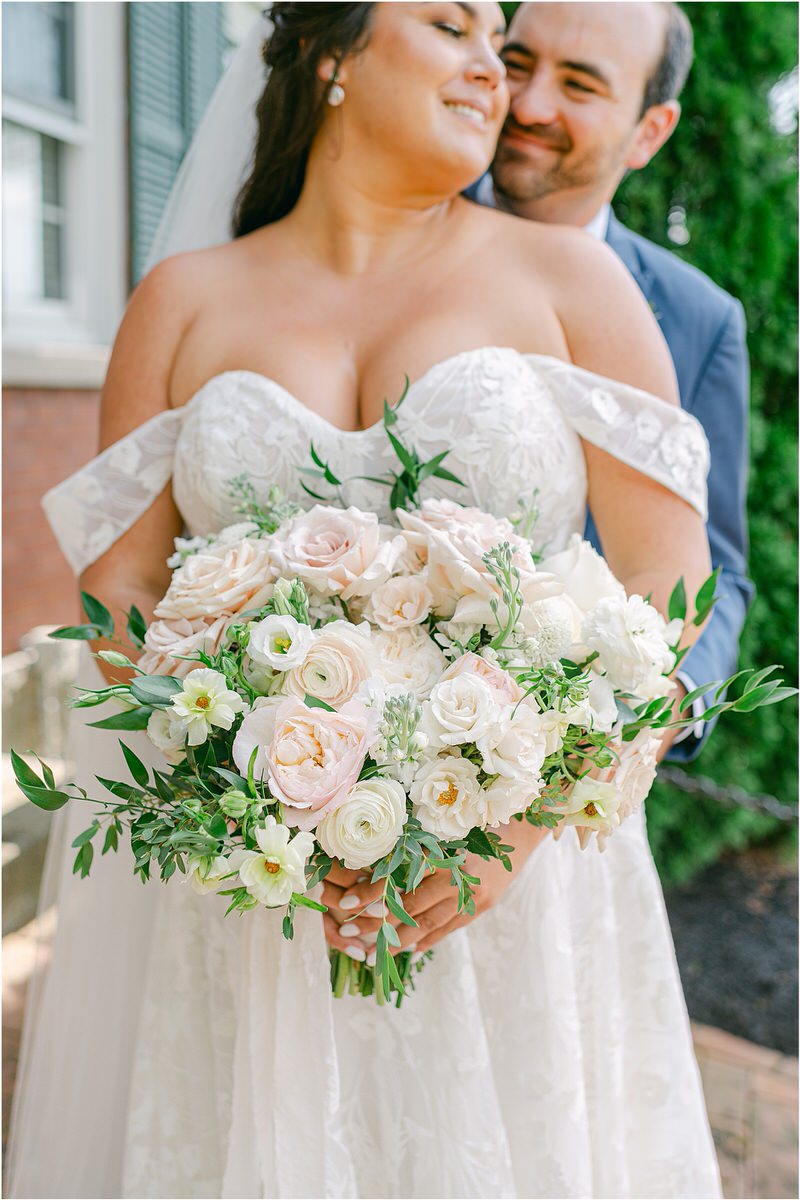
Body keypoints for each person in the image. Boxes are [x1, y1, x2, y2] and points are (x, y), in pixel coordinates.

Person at [8, 5, 721, 1197]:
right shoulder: (180, 301)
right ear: (333, 53)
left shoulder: (569, 280)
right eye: (453, 26)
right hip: (254, 887)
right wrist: (229, 784)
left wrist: (516, 824)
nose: (493, 70)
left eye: (498, 41)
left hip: (511, 884)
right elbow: (123, 583)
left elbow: (667, 578)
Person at [471, 0, 754, 761]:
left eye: (580, 84)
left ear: (650, 131)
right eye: (517, 64)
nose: (530, 105)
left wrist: (655, 712)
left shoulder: (699, 321)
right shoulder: (387, 235)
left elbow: (717, 568)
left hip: (565, 762)